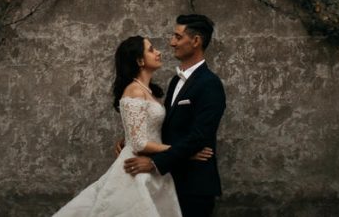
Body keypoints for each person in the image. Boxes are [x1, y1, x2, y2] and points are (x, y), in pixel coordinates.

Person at [53, 35, 212, 217]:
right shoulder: (134, 90)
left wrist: (127, 137)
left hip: (154, 165)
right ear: (139, 60)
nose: (158, 52)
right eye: (151, 49)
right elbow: (138, 144)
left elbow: (144, 129)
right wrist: (184, 151)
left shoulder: (149, 91)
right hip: (137, 165)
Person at [123, 15, 226, 217]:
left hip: (194, 186)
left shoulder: (210, 84)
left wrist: (154, 163)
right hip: (169, 182)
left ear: (195, 41)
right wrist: (130, 136)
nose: (171, 42)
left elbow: (199, 136)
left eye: (177, 37)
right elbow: (165, 128)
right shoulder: (175, 82)